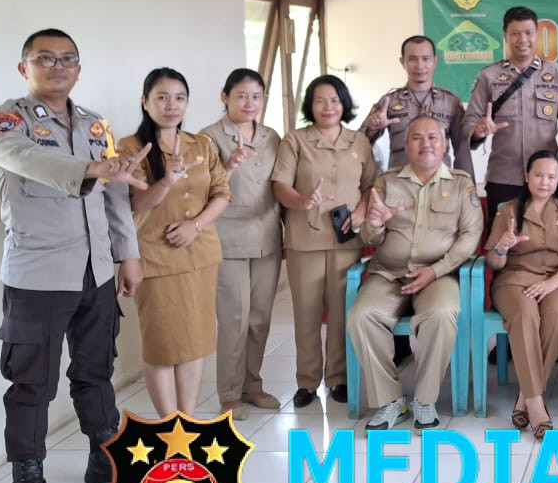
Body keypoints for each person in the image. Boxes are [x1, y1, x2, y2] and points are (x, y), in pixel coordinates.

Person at [0, 28, 147, 483]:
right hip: (38, 276)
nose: (58, 66)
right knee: (32, 383)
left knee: (96, 369)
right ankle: (28, 482)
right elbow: (33, 162)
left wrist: (129, 255)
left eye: (68, 59)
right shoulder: (6, 123)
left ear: (79, 67)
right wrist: (93, 167)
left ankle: (104, 454)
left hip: (95, 271)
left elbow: (113, 196)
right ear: (24, 68)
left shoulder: (95, 124)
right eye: (45, 59)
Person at [347, 114, 482, 432]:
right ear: (405, 145)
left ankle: (425, 398)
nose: (426, 144)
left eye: (433, 137)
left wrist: (435, 271)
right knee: (361, 315)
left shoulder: (461, 184)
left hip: (438, 275)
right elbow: (369, 239)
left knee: (442, 312)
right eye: (417, 138)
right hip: (389, 274)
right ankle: (390, 401)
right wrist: (375, 225)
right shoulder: (386, 182)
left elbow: (470, 237)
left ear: (445, 144)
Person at [118, 69, 230, 418]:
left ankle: (188, 419)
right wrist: (166, 180)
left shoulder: (202, 144)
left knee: (194, 345)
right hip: (157, 261)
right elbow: (136, 205)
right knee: (163, 348)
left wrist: (196, 225)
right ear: (145, 101)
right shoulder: (130, 148)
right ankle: (169, 425)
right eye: (162, 97)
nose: (171, 105)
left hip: (201, 256)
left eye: (179, 97)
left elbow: (222, 193)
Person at [272, 75, 376, 408]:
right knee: (306, 313)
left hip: (347, 239)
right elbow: (279, 186)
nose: (328, 106)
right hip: (306, 239)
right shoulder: (295, 140)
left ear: (344, 103)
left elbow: (372, 184)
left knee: (341, 314)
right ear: (310, 105)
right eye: (320, 100)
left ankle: (338, 379)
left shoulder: (359, 141)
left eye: (334, 99)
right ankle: (306, 382)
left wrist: (361, 211)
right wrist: (303, 201)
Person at [200, 69, 283, 419]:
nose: (249, 103)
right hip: (228, 238)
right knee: (235, 318)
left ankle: (252, 384)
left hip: (268, 236)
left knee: (261, 318)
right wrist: (229, 165)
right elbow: (201, 187)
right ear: (225, 97)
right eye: (242, 96)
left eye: (256, 96)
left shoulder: (271, 136)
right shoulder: (208, 138)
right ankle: (229, 394)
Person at [484, 150, 558, 438]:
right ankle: (537, 404)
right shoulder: (509, 211)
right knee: (525, 314)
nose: (544, 181)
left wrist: (554, 283)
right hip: (514, 280)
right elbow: (494, 262)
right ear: (526, 177)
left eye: (551, 176)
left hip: (555, 280)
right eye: (538, 175)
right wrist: (503, 246)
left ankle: (524, 397)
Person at [465, 5, 558, 227]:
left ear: (537, 34)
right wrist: (478, 131)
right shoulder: (489, 76)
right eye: (515, 33)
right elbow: (470, 122)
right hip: (503, 178)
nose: (522, 39)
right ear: (505, 36)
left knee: (551, 243)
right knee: (502, 242)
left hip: (547, 178)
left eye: (528, 32)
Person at [362, 34, 473, 177]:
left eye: (426, 59)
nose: (420, 65)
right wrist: (372, 129)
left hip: (440, 185)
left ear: (435, 61)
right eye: (412, 59)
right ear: (403, 62)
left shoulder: (450, 102)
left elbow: (462, 150)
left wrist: (468, 188)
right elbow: (359, 144)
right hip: (399, 185)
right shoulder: (389, 102)